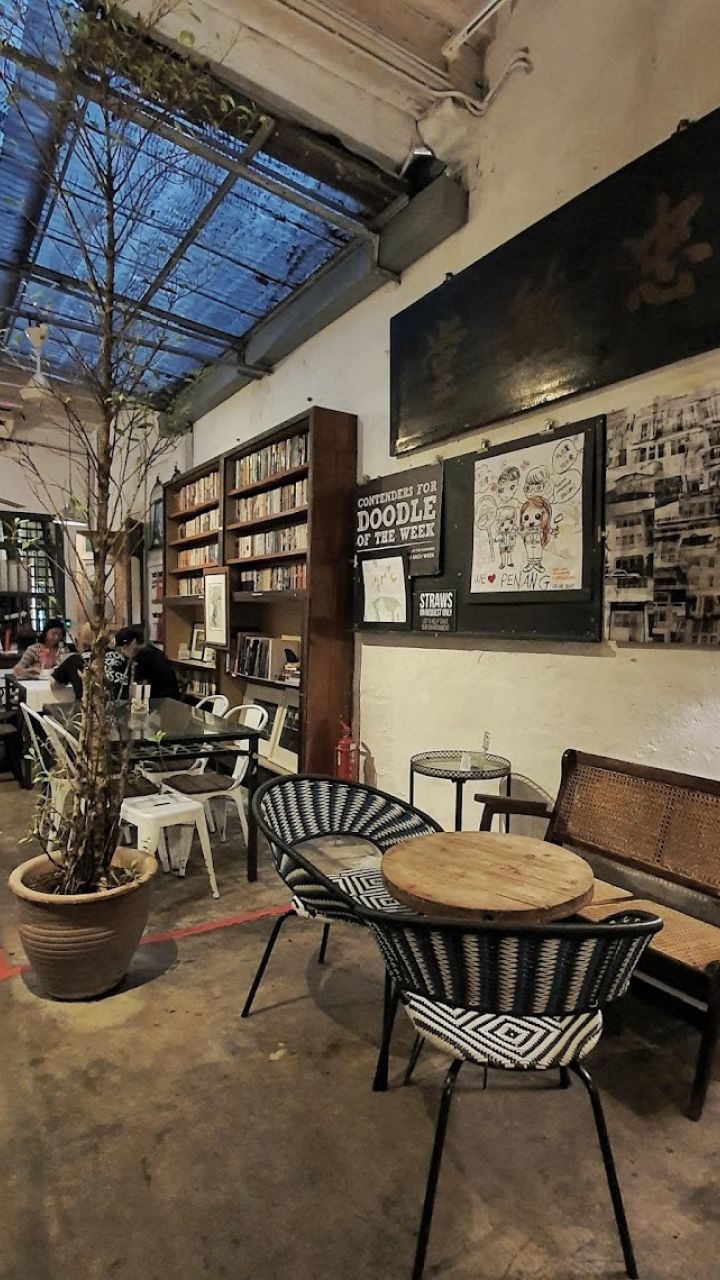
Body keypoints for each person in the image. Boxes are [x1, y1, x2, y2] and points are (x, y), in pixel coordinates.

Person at [51, 623, 130, 701]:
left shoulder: (75, 660)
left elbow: (54, 684)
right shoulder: (121, 657)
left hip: (90, 707)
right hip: (122, 706)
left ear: (82, 642)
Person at [114, 625, 181, 700]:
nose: (123, 651)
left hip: (162, 699)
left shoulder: (147, 657)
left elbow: (141, 687)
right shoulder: (148, 652)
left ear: (133, 642)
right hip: (158, 696)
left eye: (124, 647)